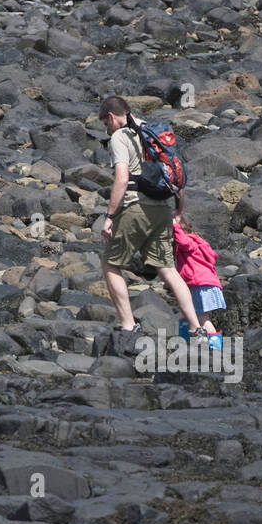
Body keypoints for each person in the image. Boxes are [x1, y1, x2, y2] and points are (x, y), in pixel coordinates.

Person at [97, 96, 207, 348]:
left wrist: (109, 216)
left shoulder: (120, 137)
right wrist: (178, 210)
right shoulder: (155, 133)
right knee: (168, 270)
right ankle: (196, 328)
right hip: (162, 210)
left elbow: (122, 179)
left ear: (112, 117)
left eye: (106, 123)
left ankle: (127, 324)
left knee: (110, 264)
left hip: (136, 208)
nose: (107, 128)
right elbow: (175, 172)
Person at [173, 214, 224, 334]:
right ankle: (185, 342)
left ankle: (216, 347)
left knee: (203, 320)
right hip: (208, 284)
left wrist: (174, 226)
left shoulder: (188, 241)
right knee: (186, 316)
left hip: (199, 285)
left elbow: (183, 241)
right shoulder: (199, 241)